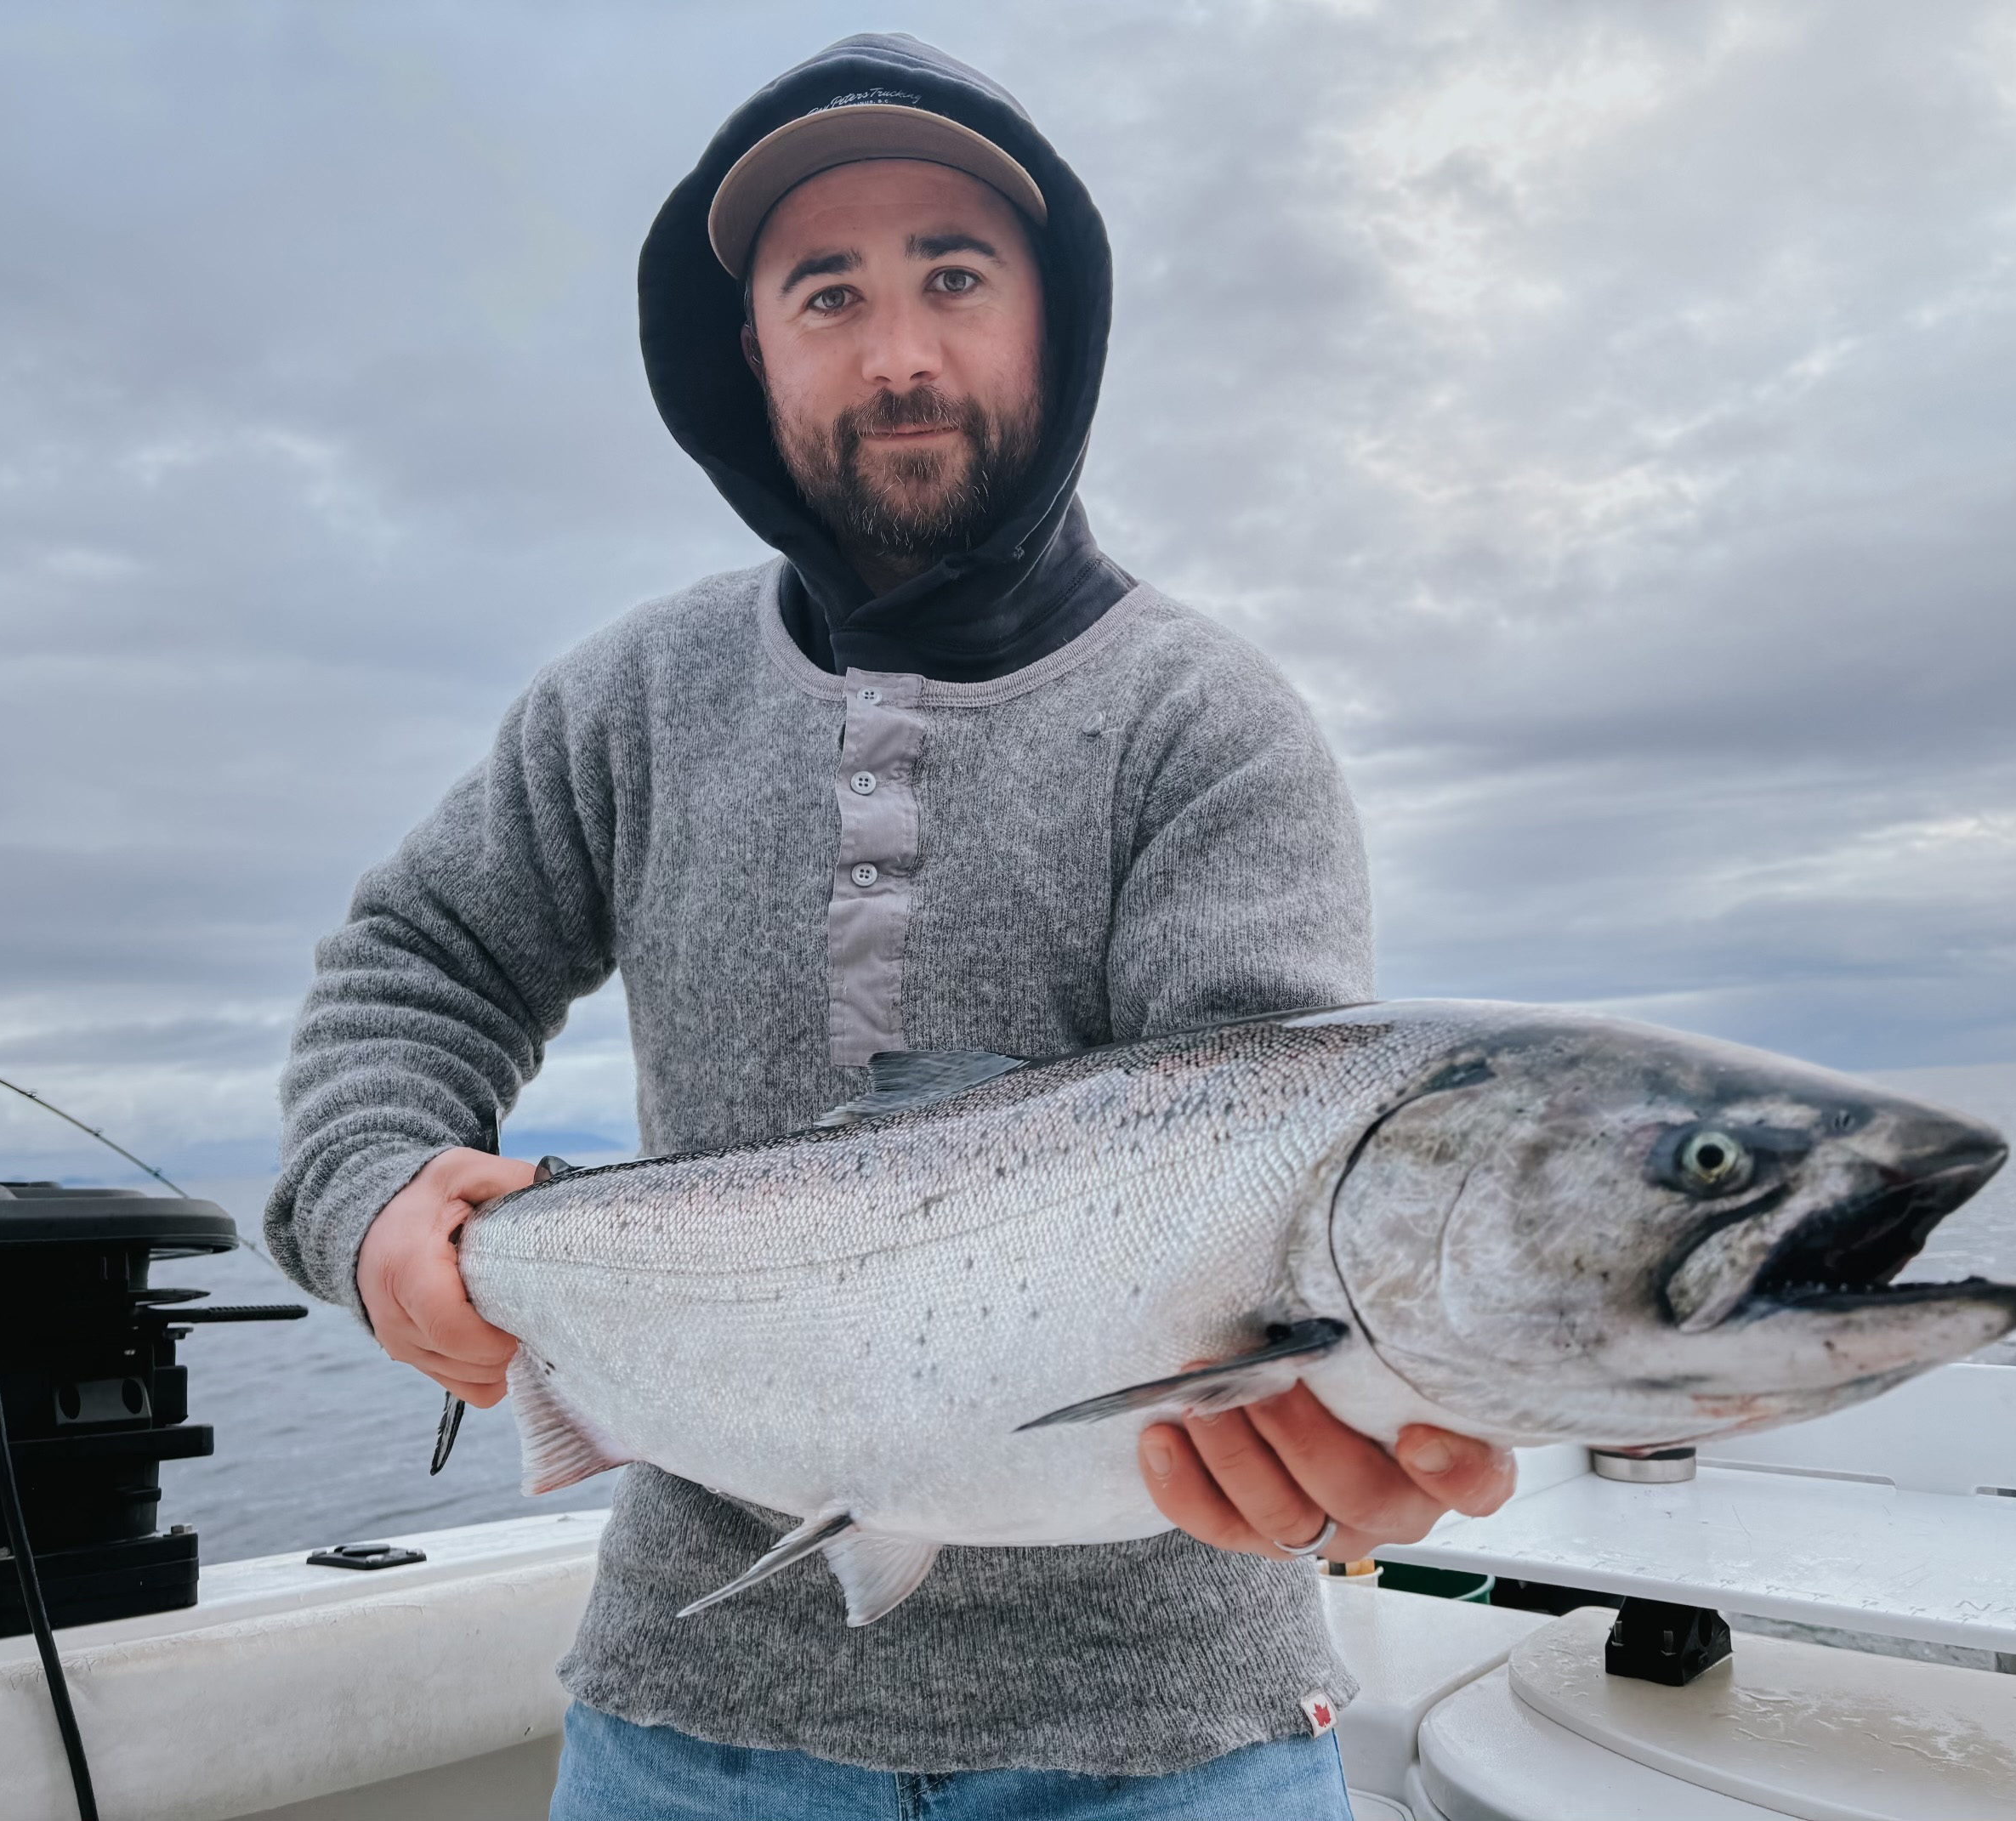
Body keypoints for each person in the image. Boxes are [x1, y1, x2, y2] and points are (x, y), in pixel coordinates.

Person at [265, 32, 1513, 1818]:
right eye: (827, 292)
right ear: (745, 357)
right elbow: (416, 969)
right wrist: (373, 1184)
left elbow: (1274, 1176)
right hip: (681, 1723)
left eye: (953, 276)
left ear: (1053, 319)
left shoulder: (1210, 725)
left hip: (1172, 1748)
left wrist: (1352, 1433)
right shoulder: (627, 701)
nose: (902, 351)